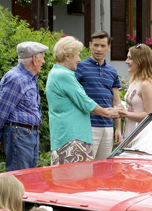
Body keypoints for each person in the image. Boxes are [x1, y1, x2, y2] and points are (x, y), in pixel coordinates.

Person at [46, 36, 120, 165]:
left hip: (68, 137)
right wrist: (107, 113)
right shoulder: (63, 75)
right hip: (72, 138)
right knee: (76, 181)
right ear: (68, 56)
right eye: (77, 55)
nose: (79, 59)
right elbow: (84, 102)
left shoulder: (57, 73)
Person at [0, 41, 49, 172]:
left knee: (28, 179)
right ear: (34, 59)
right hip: (20, 134)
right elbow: (0, 111)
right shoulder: (16, 79)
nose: (43, 62)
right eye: (42, 57)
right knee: (19, 179)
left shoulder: (29, 78)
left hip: (28, 134)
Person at [75, 30, 122, 159]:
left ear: (109, 47)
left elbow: (116, 102)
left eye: (102, 46)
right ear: (90, 45)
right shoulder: (79, 67)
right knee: (85, 167)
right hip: (88, 126)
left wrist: (118, 128)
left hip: (108, 127)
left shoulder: (112, 71)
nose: (99, 49)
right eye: (96, 45)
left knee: (104, 170)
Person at [121, 43, 152, 138]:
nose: (126, 61)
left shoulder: (146, 84)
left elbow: (150, 114)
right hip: (130, 130)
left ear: (141, 61)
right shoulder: (135, 81)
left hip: (142, 134)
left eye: (130, 58)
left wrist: (125, 113)